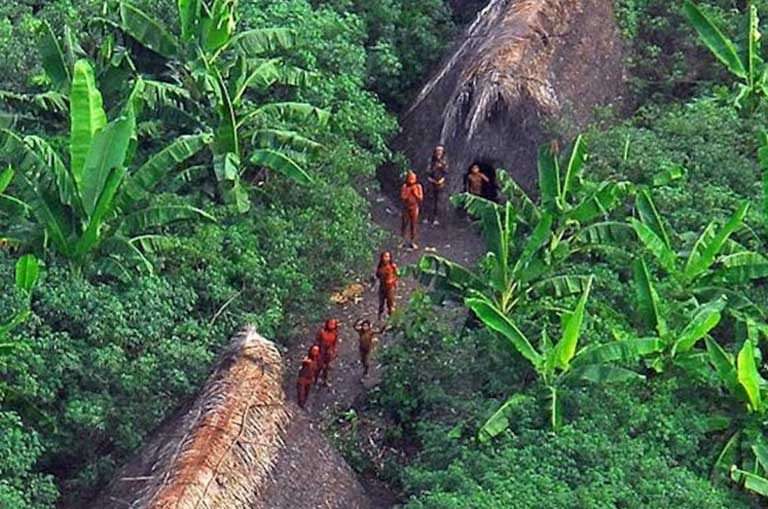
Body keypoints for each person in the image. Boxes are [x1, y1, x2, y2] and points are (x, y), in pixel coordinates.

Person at [400, 171, 424, 249]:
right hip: (406, 208)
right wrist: (409, 192)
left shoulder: (418, 186)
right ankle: (402, 240)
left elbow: (420, 198)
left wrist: (415, 193)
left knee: (413, 224)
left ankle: (412, 241)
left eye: (413, 178)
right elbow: (403, 197)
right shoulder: (405, 186)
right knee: (404, 224)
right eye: (410, 178)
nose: (411, 180)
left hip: (414, 207)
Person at [426, 145, 448, 225]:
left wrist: (442, 180)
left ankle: (436, 218)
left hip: (440, 183)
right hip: (431, 182)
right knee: (430, 199)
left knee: (438, 200)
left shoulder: (444, 162)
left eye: (440, 151)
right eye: (437, 150)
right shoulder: (431, 161)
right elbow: (428, 172)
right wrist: (432, 180)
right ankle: (428, 217)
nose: (439, 152)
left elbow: (446, 173)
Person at [315, 319, 340, 386]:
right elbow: (317, 341)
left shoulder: (335, 333)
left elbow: (334, 343)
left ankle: (325, 381)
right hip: (321, 352)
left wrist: (334, 351)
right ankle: (316, 379)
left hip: (328, 353)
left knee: (326, 367)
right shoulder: (322, 332)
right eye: (330, 323)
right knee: (319, 367)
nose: (331, 325)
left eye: (333, 324)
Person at [375, 251, 398, 321]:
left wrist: (393, 282)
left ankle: (392, 319)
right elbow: (377, 275)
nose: (386, 259)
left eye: (388, 257)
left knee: (390, 304)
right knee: (381, 303)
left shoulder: (392, 266)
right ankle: (380, 317)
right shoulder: (380, 267)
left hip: (390, 288)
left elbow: (397, 275)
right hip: (382, 287)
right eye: (385, 257)